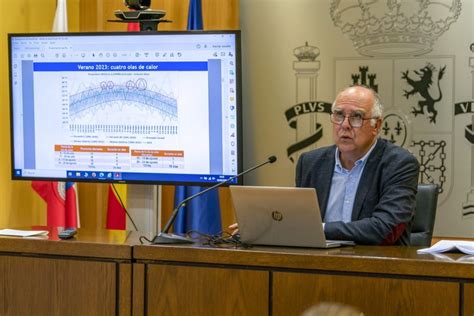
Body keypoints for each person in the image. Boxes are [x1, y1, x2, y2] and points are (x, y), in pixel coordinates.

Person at [295, 85, 419, 245]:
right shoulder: (310, 163)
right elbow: (298, 223)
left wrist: (320, 229)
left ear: (377, 125)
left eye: (356, 117)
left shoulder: (399, 164)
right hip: (316, 263)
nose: (345, 125)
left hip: (374, 264)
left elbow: (383, 228)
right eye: (339, 115)